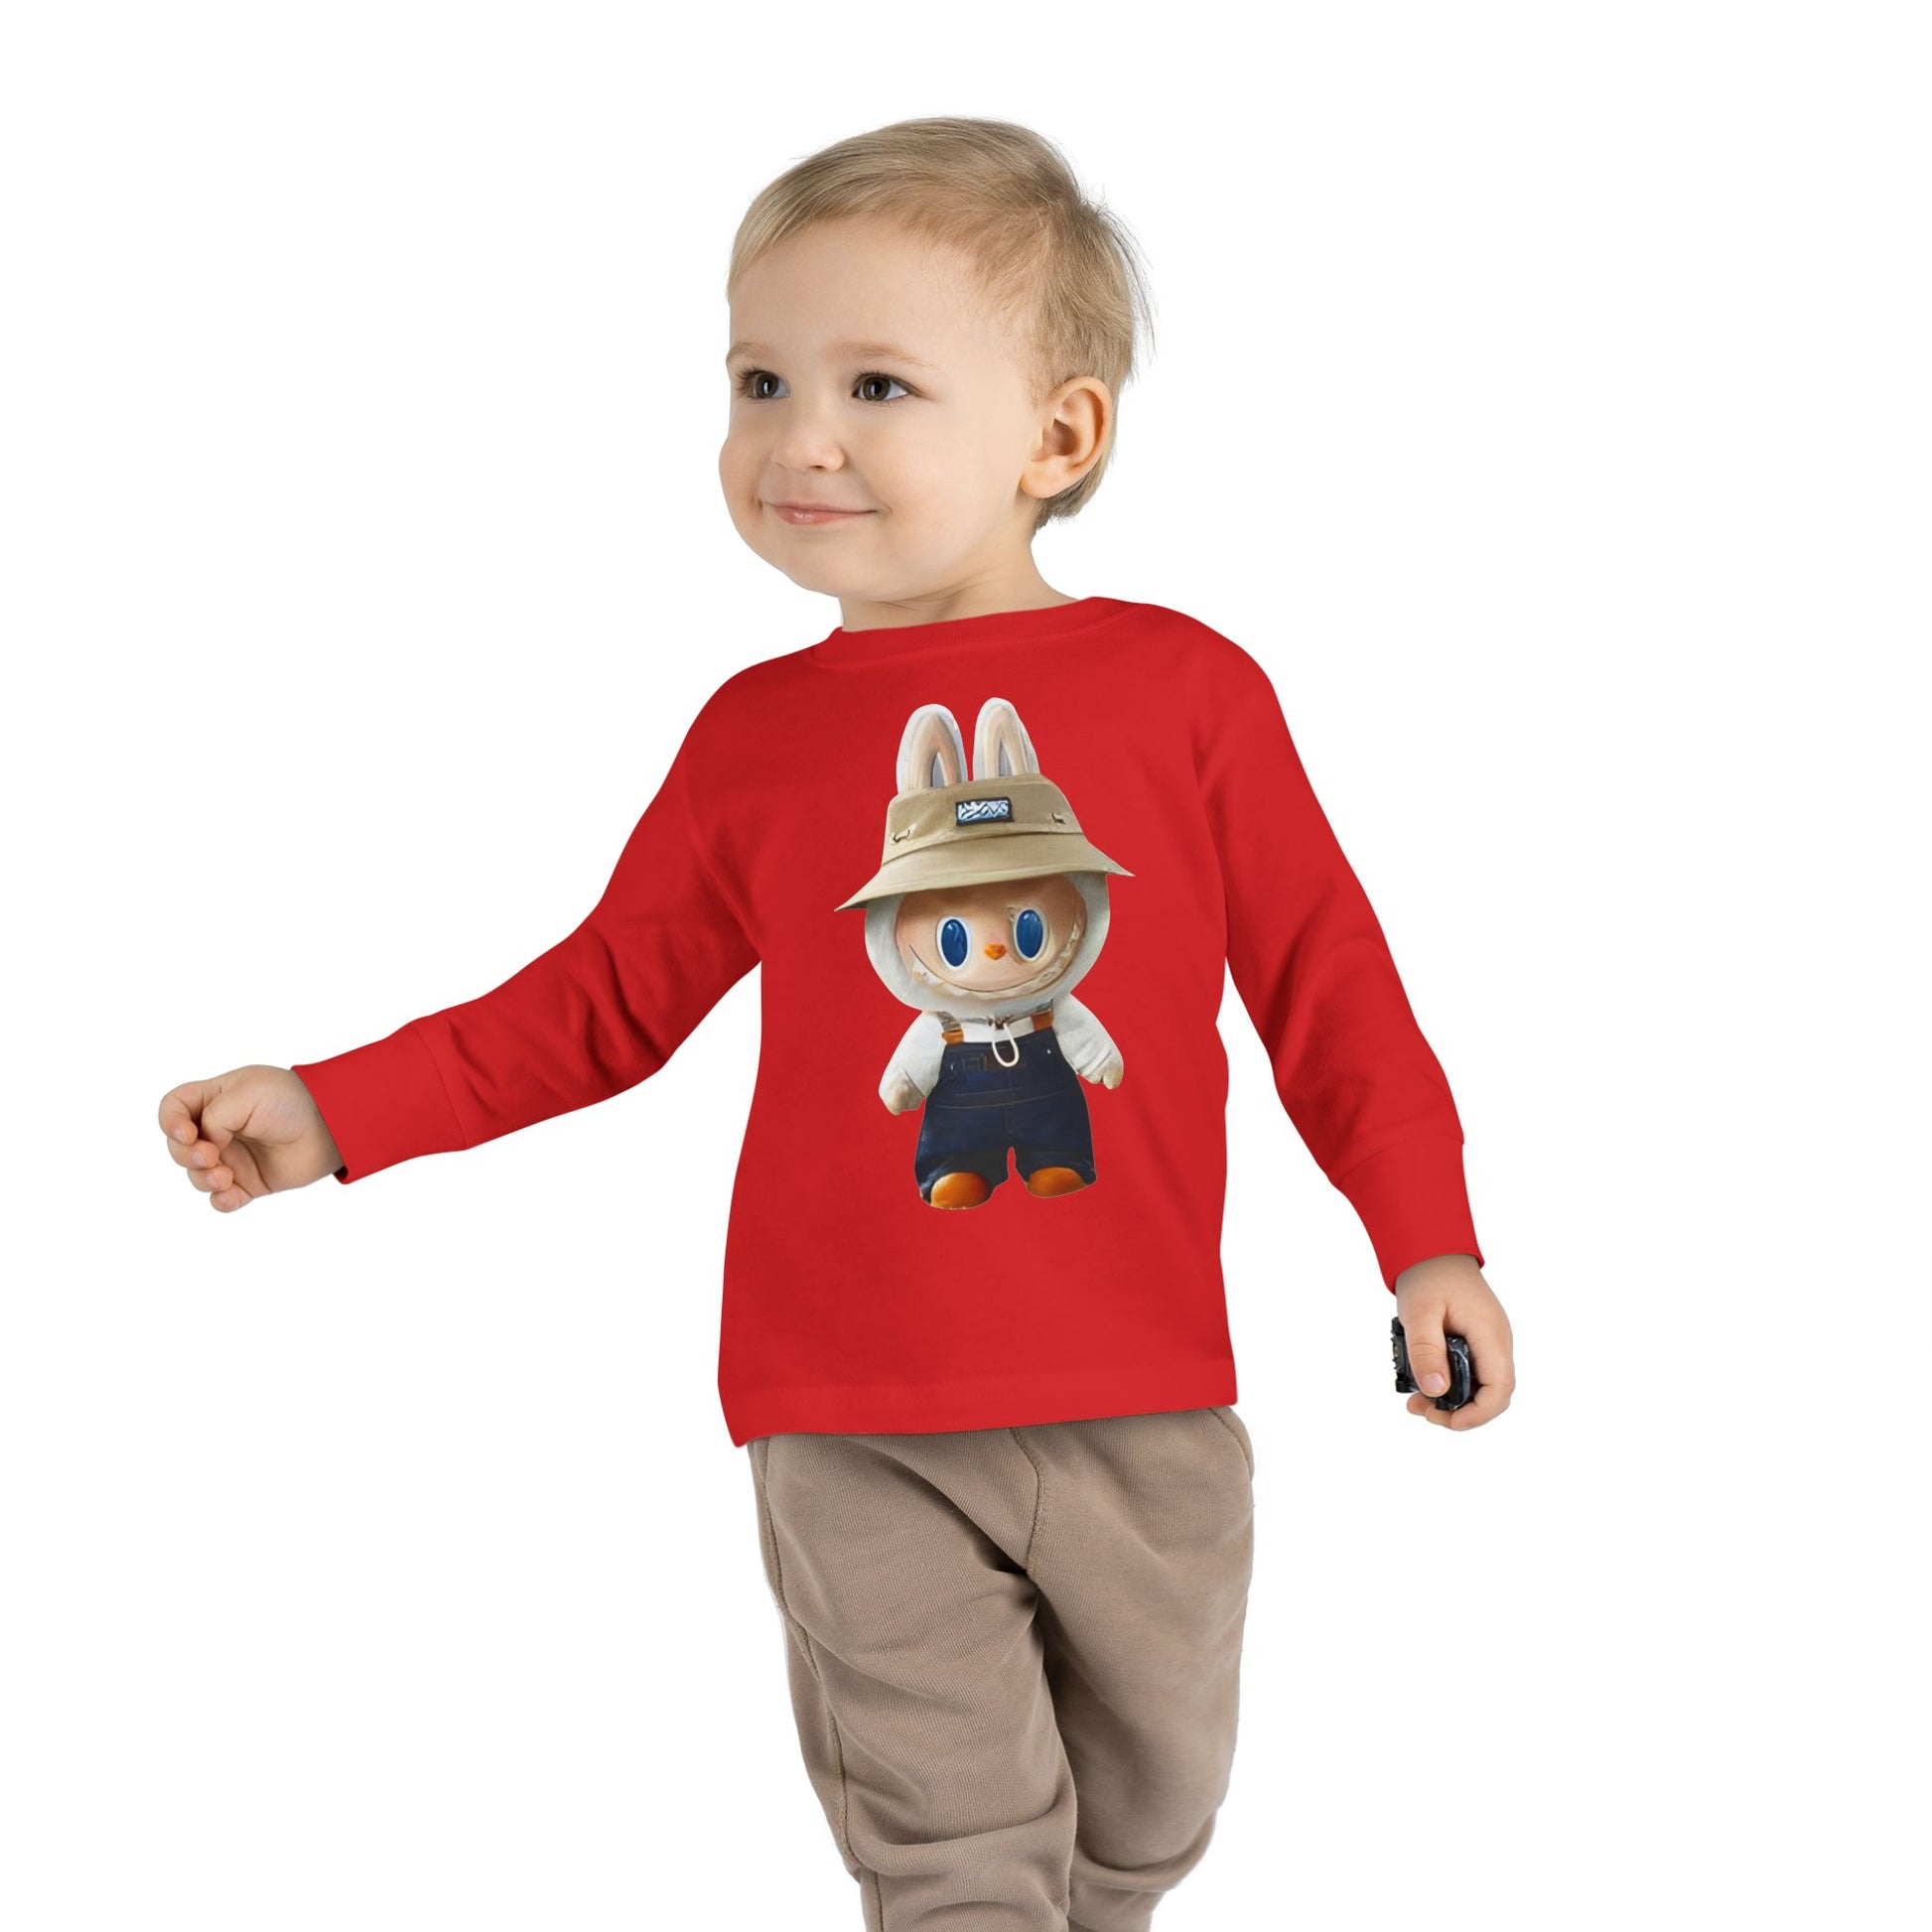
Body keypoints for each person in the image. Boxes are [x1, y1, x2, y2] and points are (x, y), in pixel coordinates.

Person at [158, 116, 1517, 1932]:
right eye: (759, 380)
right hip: (847, 1404)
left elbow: (1325, 983)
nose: (799, 436)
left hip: (1143, 1395)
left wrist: (1425, 1239)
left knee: (1149, 1811)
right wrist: (341, 1108)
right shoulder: (757, 735)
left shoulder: (1187, 691)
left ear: (1058, 437)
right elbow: (602, 999)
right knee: (953, 1852)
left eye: (876, 385)